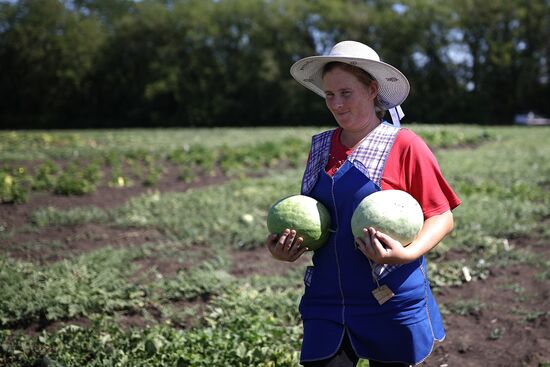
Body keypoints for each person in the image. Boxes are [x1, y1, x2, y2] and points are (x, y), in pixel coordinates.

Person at [266, 40, 461, 367]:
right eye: (329, 95)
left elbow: (441, 216)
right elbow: (319, 219)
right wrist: (284, 248)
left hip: (390, 299)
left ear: (372, 90)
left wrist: (407, 254)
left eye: (346, 93)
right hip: (327, 301)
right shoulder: (320, 146)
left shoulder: (406, 145)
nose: (336, 104)